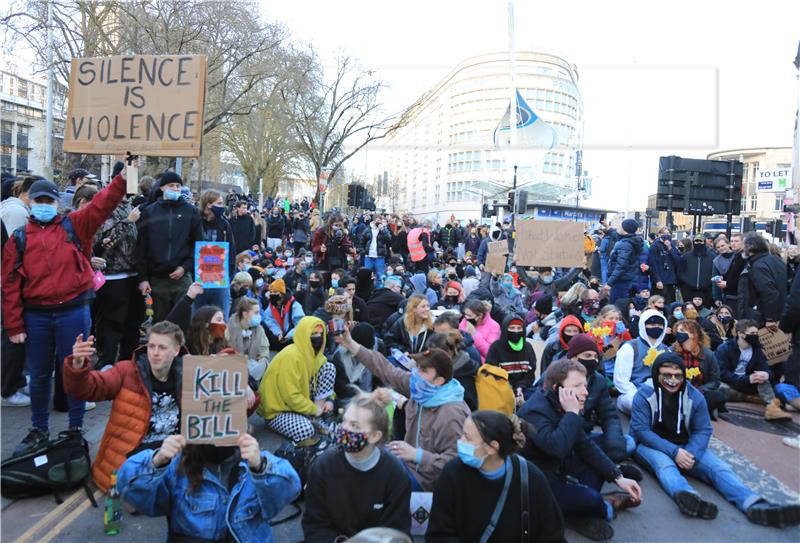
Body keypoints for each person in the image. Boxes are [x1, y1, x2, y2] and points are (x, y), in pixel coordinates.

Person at [3, 169, 128, 455]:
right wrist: (14, 326)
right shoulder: (20, 238)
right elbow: (9, 284)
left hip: (73, 312)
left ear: (58, 203)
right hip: (36, 316)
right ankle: (39, 429)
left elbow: (103, 203)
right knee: (40, 373)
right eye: (39, 201)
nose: (44, 205)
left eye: (49, 200)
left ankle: (75, 428)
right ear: (30, 203)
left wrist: (123, 175)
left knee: (77, 370)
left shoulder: (75, 225)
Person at [631, 352, 800, 527]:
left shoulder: (694, 396)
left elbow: (703, 430)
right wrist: (674, 452)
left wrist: (692, 453)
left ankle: (755, 505)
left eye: (677, 375)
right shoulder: (643, 395)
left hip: (687, 446)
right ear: (657, 375)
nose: (672, 380)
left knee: (720, 468)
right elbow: (642, 431)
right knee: (665, 466)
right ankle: (688, 497)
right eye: (666, 375)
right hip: (651, 445)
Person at [518, 360, 642, 541]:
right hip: (538, 483)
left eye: (585, 385)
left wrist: (618, 477)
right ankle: (603, 505)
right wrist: (572, 414)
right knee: (592, 499)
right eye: (577, 386)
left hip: (559, 468)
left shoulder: (567, 404)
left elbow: (585, 446)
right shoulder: (535, 411)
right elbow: (556, 448)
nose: (585, 392)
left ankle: (575, 508)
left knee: (601, 448)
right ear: (557, 388)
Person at [334, 329, 470, 491]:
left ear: (439, 380)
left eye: (423, 370)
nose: (415, 374)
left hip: (427, 483)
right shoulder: (422, 389)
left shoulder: (452, 413)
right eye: (417, 367)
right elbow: (385, 369)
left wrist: (417, 455)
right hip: (406, 465)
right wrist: (351, 344)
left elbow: (456, 462)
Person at [62, 321, 188, 491]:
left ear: (176, 350)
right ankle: (140, 490)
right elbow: (86, 390)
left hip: (174, 449)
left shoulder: (190, 373)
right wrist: (77, 365)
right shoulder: (126, 371)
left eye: (162, 348)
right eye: (151, 346)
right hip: (136, 454)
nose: (155, 353)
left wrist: (227, 358)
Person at [117, 433, 301, 542]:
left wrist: (261, 466)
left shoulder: (252, 460)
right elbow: (129, 489)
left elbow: (290, 489)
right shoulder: (177, 464)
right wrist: (157, 461)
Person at [426, 411, 565, 543]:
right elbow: (439, 534)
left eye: (467, 438)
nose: (460, 441)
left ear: (492, 448)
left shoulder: (530, 478)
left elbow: (552, 535)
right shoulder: (453, 473)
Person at [303, 389, 412, 541]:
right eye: (344, 421)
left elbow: (397, 530)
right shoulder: (323, 467)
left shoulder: (395, 474)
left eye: (354, 425)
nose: (344, 429)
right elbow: (315, 526)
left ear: (375, 436)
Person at [135, 171, 203, 323]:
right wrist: (143, 278)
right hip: (157, 280)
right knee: (160, 323)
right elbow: (141, 248)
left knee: (183, 321)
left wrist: (185, 267)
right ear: (162, 187)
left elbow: (198, 245)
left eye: (178, 186)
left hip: (182, 278)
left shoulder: (191, 212)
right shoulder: (150, 212)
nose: (175, 188)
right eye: (171, 185)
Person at [257, 316, 336, 444]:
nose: (318, 337)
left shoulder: (315, 355)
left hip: (298, 404)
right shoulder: (291, 356)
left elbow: (324, 379)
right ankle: (313, 415)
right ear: (304, 334)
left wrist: (330, 399)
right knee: (306, 430)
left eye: (321, 334)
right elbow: (290, 396)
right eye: (314, 333)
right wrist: (312, 408)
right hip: (277, 410)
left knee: (329, 368)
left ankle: (315, 416)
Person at [715, 319, 791, 421]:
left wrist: (766, 374)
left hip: (749, 383)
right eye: (752, 333)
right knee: (718, 389)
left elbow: (768, 369)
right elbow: (721, 373)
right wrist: (747, 379)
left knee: (763, 379)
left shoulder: (757, 349)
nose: (755, 336)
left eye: (756, 333)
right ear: (741, 334)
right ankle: (747, 397)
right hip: (730, 383)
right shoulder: (724, 348)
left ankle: (772, 409)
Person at [613, 308, 669, 413]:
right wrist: (639, 396)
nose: (656, 327)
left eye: (659, 325)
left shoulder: (666, 350)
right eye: (652, 325)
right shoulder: (630, 347)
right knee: (633, 401)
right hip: (634, 392)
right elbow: (621, 380)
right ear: (643, 325)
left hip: (659, 392)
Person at [194, 190, 236, 317]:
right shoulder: (196, 222)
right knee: (198, 316)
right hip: (199, 276)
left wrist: (229, 274)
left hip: (220, 277)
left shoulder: (224, 224)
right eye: (219, 203)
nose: (222, 206)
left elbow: (231, 250)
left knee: (220, 315)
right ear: (209, 204)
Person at [671, 318, 725, 416]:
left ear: (693, 334)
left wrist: (701, 390)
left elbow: (715, 381)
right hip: (677, 390)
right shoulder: (672, 351)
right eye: (677, 331)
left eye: (682, 331)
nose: (679, 333)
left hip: (699, 391)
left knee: (718, 396)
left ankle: (695, 408)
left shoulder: (708, 355)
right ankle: (700, 409)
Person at [737, 232, 787, 328]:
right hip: (778, 313)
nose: (742, 249)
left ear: (750, 247)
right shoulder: (775, 260)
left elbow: (769, 292)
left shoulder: (758, 266)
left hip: (761, 317)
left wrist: (770, 318)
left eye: (744, 245)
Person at [485, 315, 537, 400]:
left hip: (523, 390)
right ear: (505, 329)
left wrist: (520, 388)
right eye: (512, 328)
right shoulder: (496, 347)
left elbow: (530, 374)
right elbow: (490, 373)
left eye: (519, 328)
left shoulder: (527, 347)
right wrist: (509, 390)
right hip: (500, 390)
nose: (516, 331)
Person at [427, 330, 480, 411]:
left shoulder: (463, 378)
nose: (429, 357)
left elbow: (468, 407)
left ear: (447, 353)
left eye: (433, 353)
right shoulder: (446, 368)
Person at [226, 297, 271, 382]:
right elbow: (226, 350)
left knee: (264, 365)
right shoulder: (230, 329)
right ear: (245, 314)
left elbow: (264, 348)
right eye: (256, 313)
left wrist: (262, 358)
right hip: (233, 366)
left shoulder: (259, 330)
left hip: (252, 364)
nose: (259, 316)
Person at [604, 219, 644, 303]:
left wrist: (609, 283)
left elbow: (621, 266)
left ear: (625, 229)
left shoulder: (625, 244)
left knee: (616, 306)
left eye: (621, 226)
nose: (619, 227)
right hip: (623, 279)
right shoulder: (628, 240)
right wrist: (607, 226)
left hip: (619, 281)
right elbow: (615, 234)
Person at [263, 278, 305, 352]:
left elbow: (300, 324)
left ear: (282, 293)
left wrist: (287, 337)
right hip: (278, 337)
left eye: (275, 292)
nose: (272, 294)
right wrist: (278, 333)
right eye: (271, 292)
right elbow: (269, 320)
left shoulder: (295, 306)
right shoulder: (272, 305)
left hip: (291, 339)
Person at [648, 228, 682, 305]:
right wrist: (657, 280)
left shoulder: (672, 245)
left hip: (671, 280)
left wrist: (670, 248)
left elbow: (678, 261)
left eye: (668, 233)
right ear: (659, 235)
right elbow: (652, 264)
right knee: (660, 303)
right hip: (660, 280)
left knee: (670, 303)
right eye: (664, 233)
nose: (666, 235)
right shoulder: (655, 246)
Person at [358, 215, 392, 287]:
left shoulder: (383, 230)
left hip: (380, 256)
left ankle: (379, 290)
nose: (378, 222)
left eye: (380, 221)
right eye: (377, 220)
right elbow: (361, 242)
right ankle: (368, 290)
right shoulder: (367, 230)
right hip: (368, 256)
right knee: (367, 275)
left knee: (380, 276)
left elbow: (389, 239)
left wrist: (382, 229)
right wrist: (364, 252)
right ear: (373, 220)